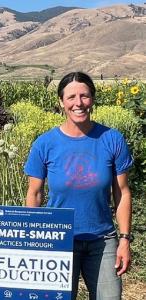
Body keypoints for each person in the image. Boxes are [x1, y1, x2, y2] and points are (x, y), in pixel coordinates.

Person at [24, 71, 133, 300]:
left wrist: (124, 239)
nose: (78, 103)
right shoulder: (45, 144)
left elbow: (122, 193)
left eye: (84, 96)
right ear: (61, 102)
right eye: (71, 97)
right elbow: (34, 194)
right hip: (58, 241)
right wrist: (32, 241)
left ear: (92, 99)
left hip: (102, 241)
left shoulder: (112, 139)